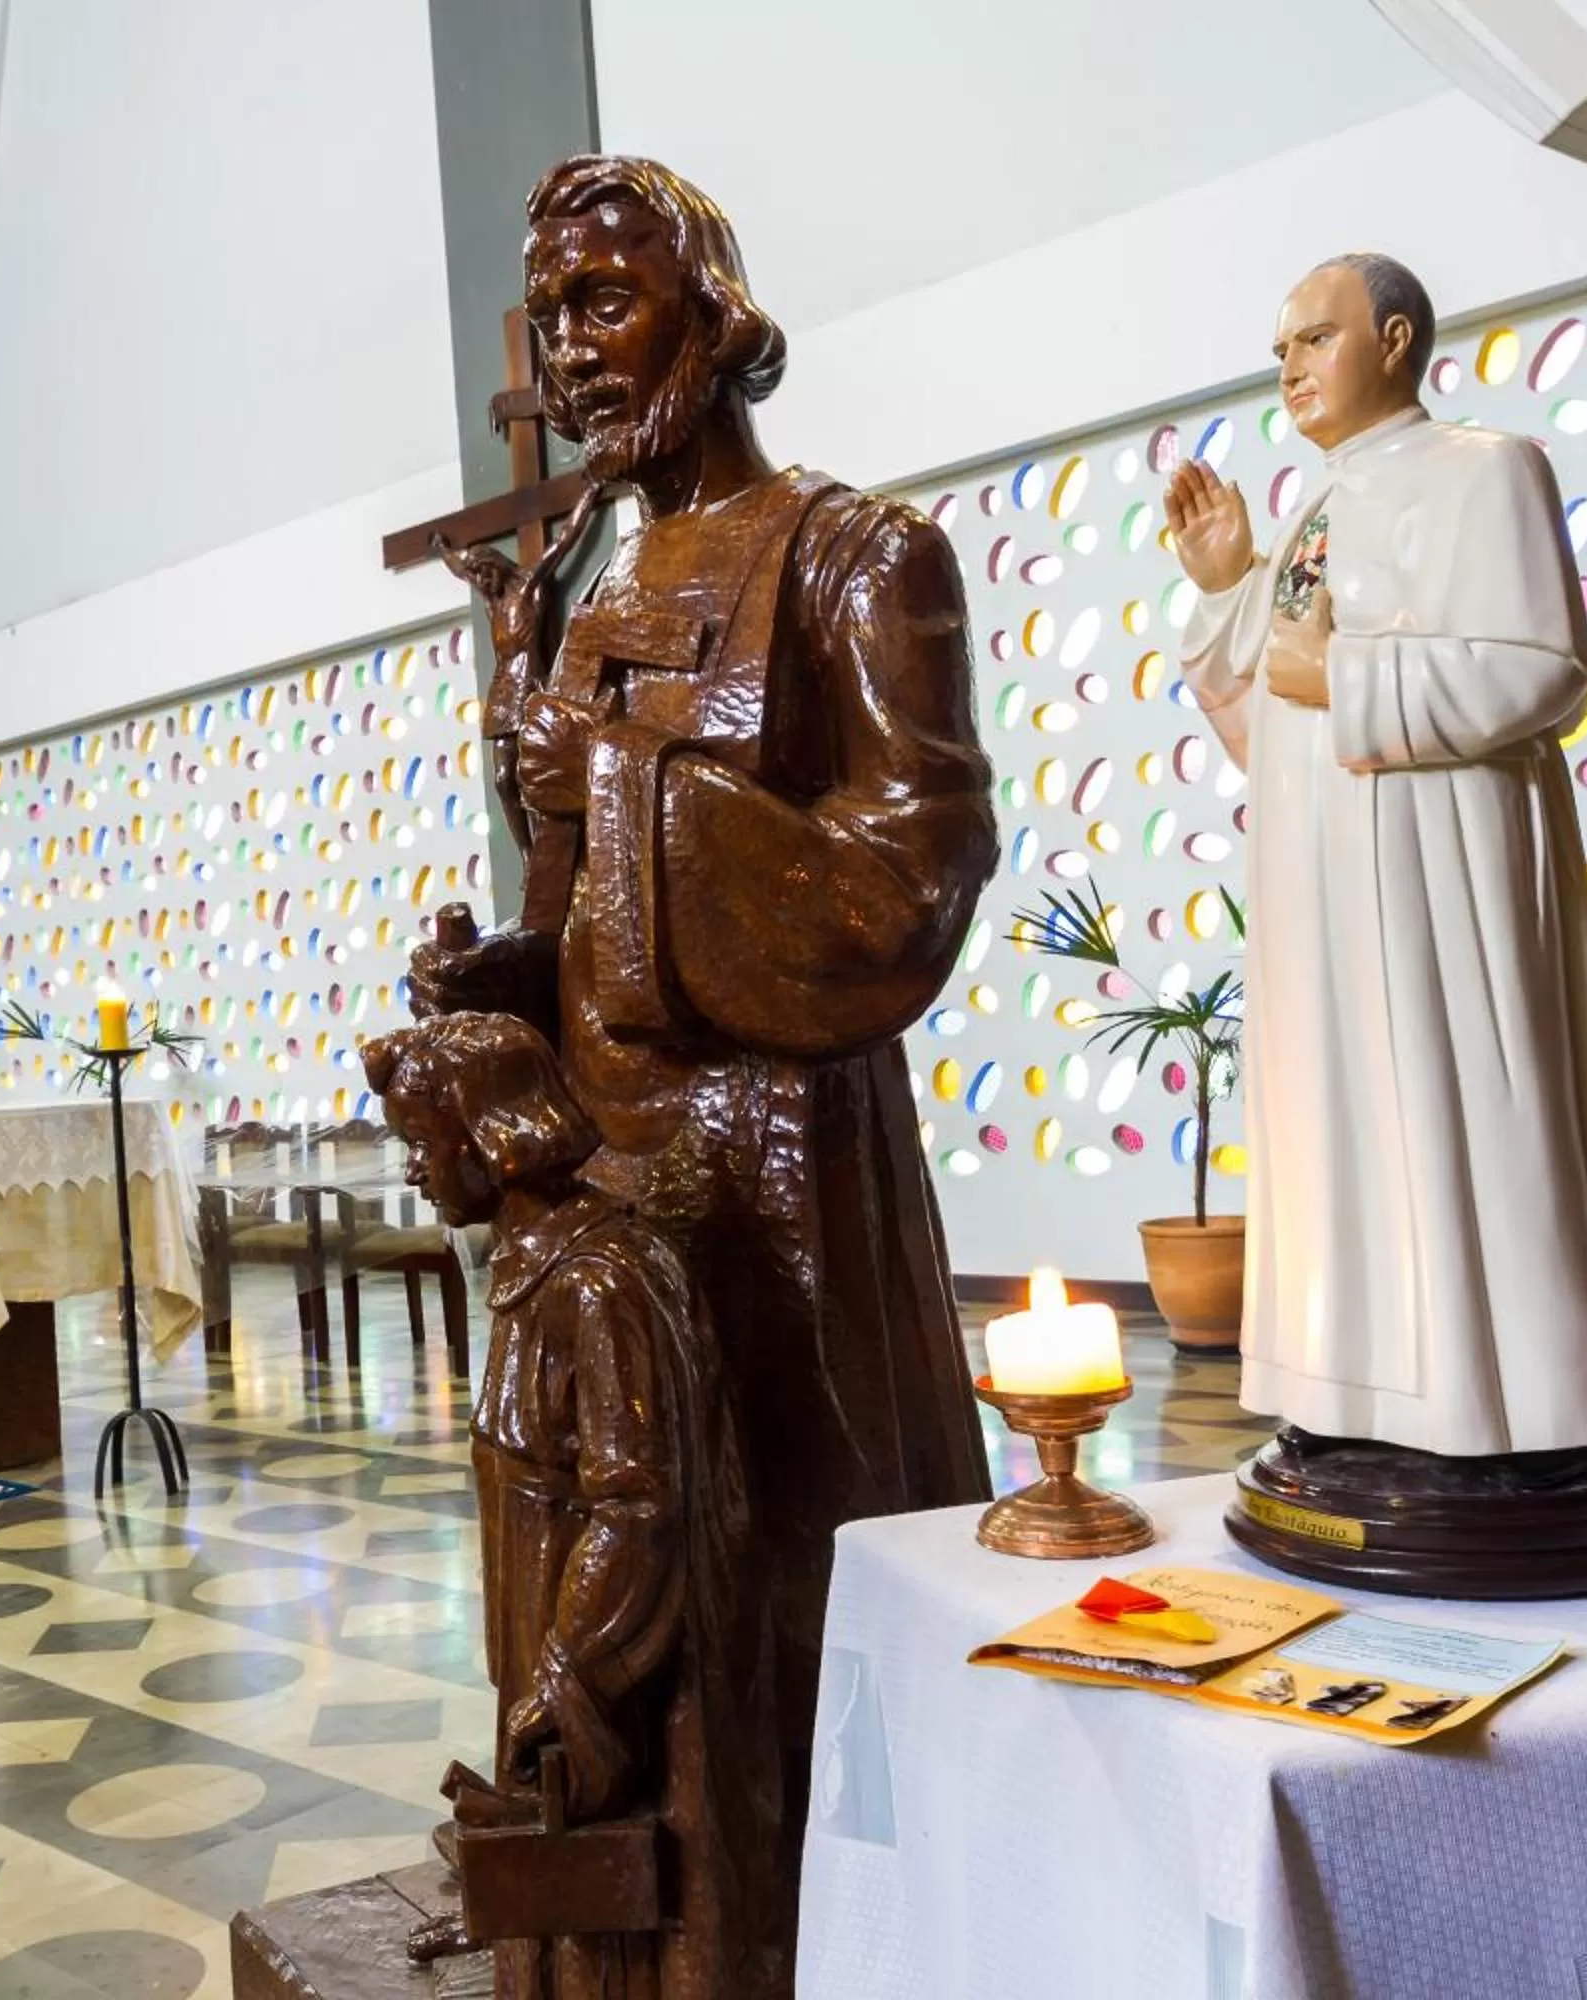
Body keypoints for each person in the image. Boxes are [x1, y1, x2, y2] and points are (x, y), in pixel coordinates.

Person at [415, 162, 998, 1984]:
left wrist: (605, 774)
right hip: (604, 1177)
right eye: (551, 316)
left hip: (782, 1179)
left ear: (718, 315)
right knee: (621, 1602)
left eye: (605, 303)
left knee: (803, 1600)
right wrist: (494, 971)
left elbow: (907, 889)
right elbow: (583, 911)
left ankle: (861, 1937)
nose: (571, 356)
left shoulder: (856, 554)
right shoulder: (592, 591)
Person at [1166, 252, 1587, 1458]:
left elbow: (1542, 670)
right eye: (1282, 347)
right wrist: (1226, 585)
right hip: (1319, 884)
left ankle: (1494, 1408)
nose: (1291, 364)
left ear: (1396, 339)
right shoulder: (1311, 511)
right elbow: (1266, 727)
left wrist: (1341, 673)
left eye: (1315, 336)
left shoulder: (1483, 470)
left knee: (1453, 1118)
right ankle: (1353, 1398)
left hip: (1437, 872)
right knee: (1335, 1126)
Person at [365, 1013, 746, 1999]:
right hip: (537, 1619)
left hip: (598, 1646)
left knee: (609, 1919)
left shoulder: (597, 1278)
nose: (413, 1166)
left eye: (422, 1140)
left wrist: (573, 1665)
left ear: (494, 1133)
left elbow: (637, 1502)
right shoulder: (525, 1267)